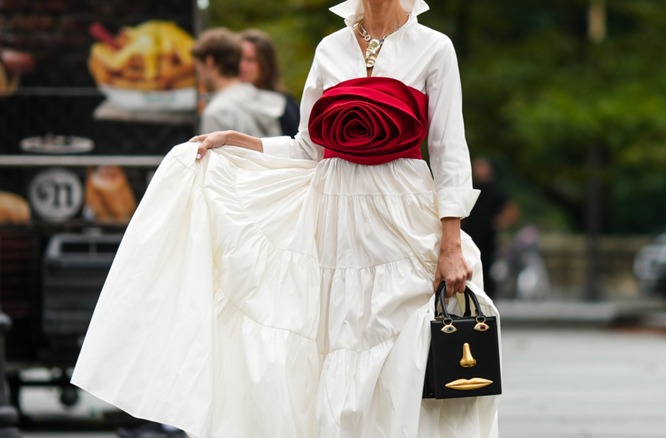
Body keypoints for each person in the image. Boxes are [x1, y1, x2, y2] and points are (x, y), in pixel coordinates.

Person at [72, 1, 500, 437]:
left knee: (402, 357)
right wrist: (234, 141)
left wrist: (451, 243)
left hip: (403, 220)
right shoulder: (330, 48)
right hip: (336, 220)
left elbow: (450, 151)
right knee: (336, 353)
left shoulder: (434, 47)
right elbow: (307, 148)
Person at [192, 28, 287, 137]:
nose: (197, 76)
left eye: (198, 68)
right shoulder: (269, 100)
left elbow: (209, 154)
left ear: (210, 62)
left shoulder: (216, 113)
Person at [461, 157, 520, 298]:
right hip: (471, 234)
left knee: (486, 267)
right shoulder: (471, 188)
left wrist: (499, 222)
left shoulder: (496, 191)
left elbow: (512, 210)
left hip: (487, 237)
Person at [239, 29, 301, 137]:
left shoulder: (286, 108)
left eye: (250, 60)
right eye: (238, 58)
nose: (241, 66)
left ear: (266, 64)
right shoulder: (223, 101)